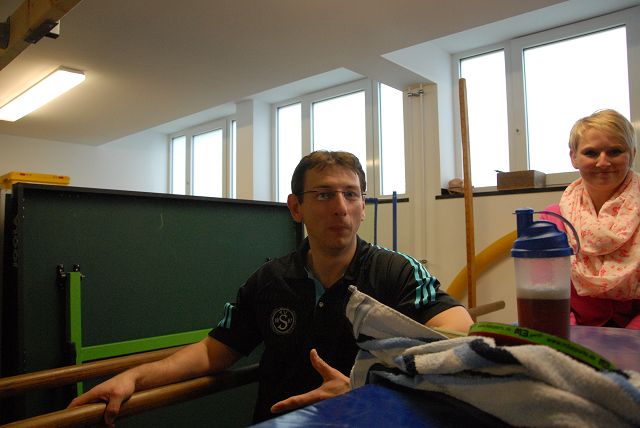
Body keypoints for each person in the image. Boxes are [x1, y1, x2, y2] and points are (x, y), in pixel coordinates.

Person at [68, 150, 473, 425]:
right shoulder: (270, 279)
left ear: (363, 207)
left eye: (351, 195)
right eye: (324, 194)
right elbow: (213, 351)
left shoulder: (397, 272)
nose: (340, 207)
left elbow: (458, 334)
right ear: (296, 207)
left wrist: (363, 386)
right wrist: (135, 378)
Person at [541, 109, 640, 329]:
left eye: (615, 151)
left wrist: (628, 339)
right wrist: (574, 336)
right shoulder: (554, 220)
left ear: (632, 154)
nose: (603, 162)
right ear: (573, 158)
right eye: (591, 153)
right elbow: (548, 295)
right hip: (574, 336)